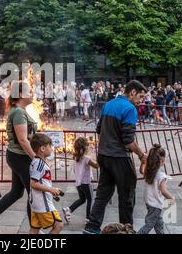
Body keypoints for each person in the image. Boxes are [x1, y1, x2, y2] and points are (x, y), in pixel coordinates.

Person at [84, 80, 148, 234]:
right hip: (119, 157)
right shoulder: (130, 108)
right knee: (126, 197)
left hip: (104, 155)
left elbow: (99, 129)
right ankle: (126, 229)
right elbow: (128, 140)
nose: (141, 101)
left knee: (103, 194)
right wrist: (141, 155)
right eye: (140, 96)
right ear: (132, 92)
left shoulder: (109, 104)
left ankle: (92, 227)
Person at [0, 80, 37, 234]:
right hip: (20, 157)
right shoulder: (18, 112)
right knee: (34, 194)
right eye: (29, 91)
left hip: (16, 156)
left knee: (17, 192)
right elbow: (23, 139)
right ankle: (34, 230)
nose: (32, 94)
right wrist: (36, 158)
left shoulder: (19, 110)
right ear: (20, 95)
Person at [28, 134, 63, 234]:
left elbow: (41, 181)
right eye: (50, 146)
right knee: (58, 225)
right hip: (43, 203)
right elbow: (33, 183)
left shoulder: (37, 162)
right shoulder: (39, 164)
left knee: (35, 229)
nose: (51, 149)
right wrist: (51, 190)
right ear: (43, 148)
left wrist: (52, 190)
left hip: (37, 201)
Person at [137, 144, 175, 234]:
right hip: (156, 204)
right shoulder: (161, 176)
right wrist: (171, 198)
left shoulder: (148, 171)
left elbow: (141, 170)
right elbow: (164, 191)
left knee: (158, 222)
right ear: (162, 160)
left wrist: (143, 163)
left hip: (149, 203)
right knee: (149, 224)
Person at [62, 137, 99, 223]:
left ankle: (68, 209)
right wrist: (101, 158)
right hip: (86, 183)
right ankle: (88, 218)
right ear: (85, 148)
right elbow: (96, 166)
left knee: (82, 199)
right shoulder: (86, 158)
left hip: (79, 183)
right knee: (90, 199)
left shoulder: (75, 157)